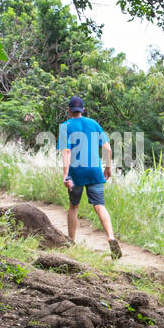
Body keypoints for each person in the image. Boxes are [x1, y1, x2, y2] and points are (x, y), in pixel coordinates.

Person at [57, 96, 122, 259]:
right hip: (94, 170)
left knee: (74, 206)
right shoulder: (94, 124)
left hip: (76, 172)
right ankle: (111, 237)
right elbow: (107, 148)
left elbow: (66, 152)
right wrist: (107, 167)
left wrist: (66, 175)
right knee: (99, 205)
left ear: (69, 110)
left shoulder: (65, 127)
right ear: (83, 110)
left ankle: (71, 242)